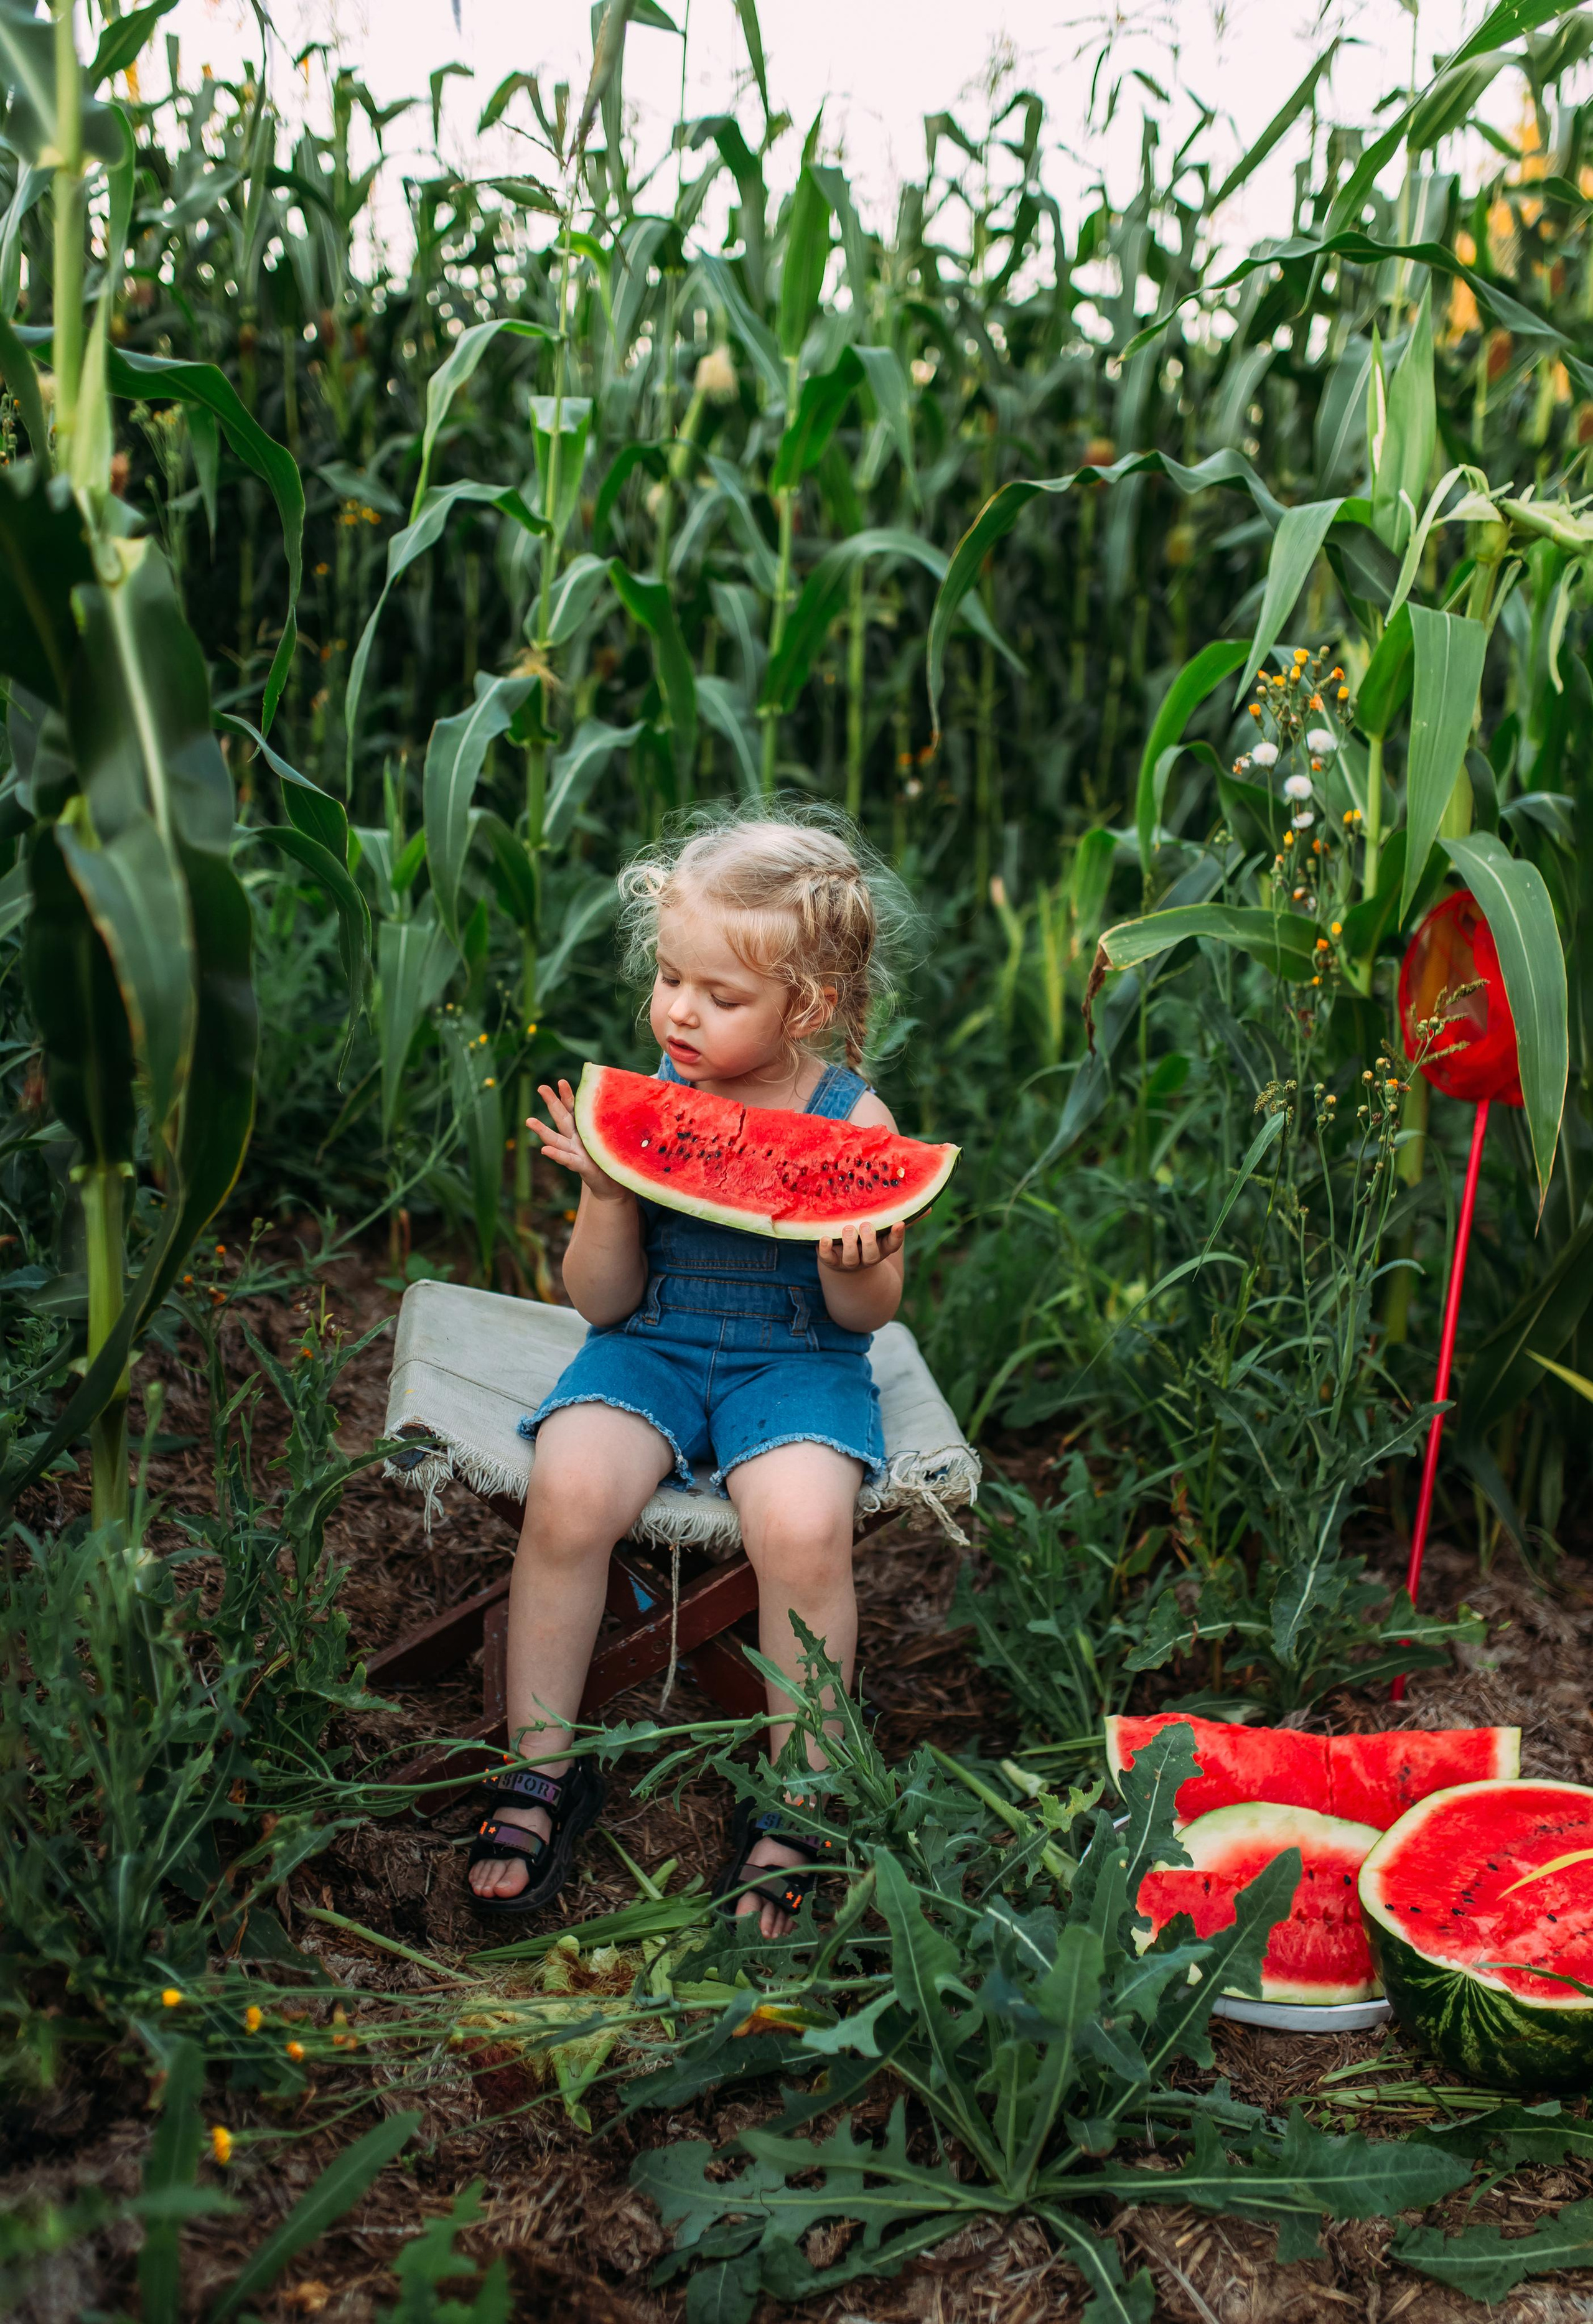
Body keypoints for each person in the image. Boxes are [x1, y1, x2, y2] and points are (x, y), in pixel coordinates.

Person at [465, 810, 915, 1938]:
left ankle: (802, 1798)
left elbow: (868, 1312)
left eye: (719, 996)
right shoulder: (649, 1097)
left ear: (803, 1007)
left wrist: (854, 1259)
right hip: (652, 1342)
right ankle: (542, 1768)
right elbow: (599, 1301)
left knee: (806, 1530)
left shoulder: (852, 1119)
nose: (679, 1010)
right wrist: (611, 1195)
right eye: (671, 978)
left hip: (797, 1362)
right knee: (568, 1494)